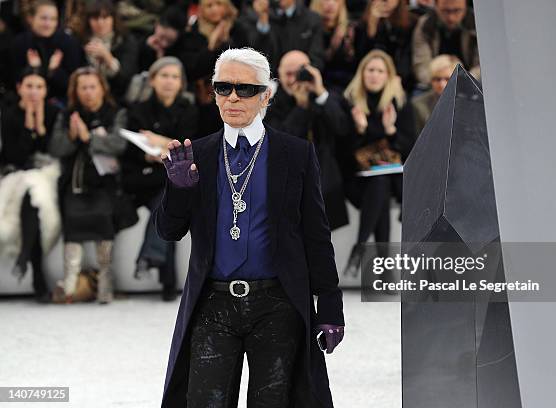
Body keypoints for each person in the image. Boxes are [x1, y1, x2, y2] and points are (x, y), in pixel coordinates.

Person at [155, 47, 344, 407]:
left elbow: (317, 236)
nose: (233, 97)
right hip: (213, 304)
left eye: (245, 89)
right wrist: (178, 191)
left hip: (278, 303)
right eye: (223, 87)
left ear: (266, 96)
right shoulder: (199, 155)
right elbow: (168, 231)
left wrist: (331, 306)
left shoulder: (296, 154)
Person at [48, 67, 128, 304]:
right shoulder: (67, 114)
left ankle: (105, 281)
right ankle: (69, 283)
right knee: (73, 226)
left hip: (106, 184)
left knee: (104, 226)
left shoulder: (116, 112)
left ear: (102, 88)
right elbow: (56, 148)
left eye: (93, 86)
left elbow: (118, 145)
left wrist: (88, 137)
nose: (88, 92)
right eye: (83, 87)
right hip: (76, 183)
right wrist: (73, 136)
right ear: (75, 91)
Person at [122, 57, 198, 301]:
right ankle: (163, 275)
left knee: (166, 205)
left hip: (174, 179)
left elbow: (190, 148)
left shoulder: (189, 111)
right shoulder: (137, 110)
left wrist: (159, 141)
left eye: (175, 77)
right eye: (164, 76)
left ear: (181, 83)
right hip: (146, 179)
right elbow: (129, 151)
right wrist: (150, 154)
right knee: (165, 202)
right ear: (152, 80)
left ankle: (157, 267)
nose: (169, 82)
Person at [341, 49, 416, 275]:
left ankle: (361, 248)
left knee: (380, 181)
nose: (374, 75)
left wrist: (391, 130)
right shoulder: (350, 103)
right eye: (370, 70)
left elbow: (410, 147)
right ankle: (385, 268)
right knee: (378, 185)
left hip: (393, 178)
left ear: (388, 75)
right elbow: (342, 150)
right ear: (362, 74)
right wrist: (360, 129)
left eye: (380, 71)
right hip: (356, 179)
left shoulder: (399, 103)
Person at [266, 50, 349, 230]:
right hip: (286, 186)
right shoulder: (269, 103)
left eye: (300, 73)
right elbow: (280, 141)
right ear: (278, 74)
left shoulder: (322, 96)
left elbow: (342, 128)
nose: (294, 80)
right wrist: (301, 108)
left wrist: (320, 92)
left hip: (323, 183)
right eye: (288, 74)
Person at [0, 67, 61, 303]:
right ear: (19, 88)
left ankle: (28, 258)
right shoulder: (9, 114)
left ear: (45, 90)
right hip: (16, 176)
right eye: (29, 86)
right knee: (31, 194)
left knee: (35, 192)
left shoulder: (55, 113)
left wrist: (41, 129)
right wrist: (28, 125)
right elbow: (16, 157)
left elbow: (54, 152)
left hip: (48, 174)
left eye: (39, 87)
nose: (34, 92)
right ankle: (35, 269)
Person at [10, 0, 84, 103]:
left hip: (61, 100)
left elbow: (73, 84)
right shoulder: (19, 43)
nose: (48, 24)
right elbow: (13, 79)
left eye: (53, 19)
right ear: (31, 18)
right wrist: (33, 69)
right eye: (43, 18)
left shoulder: (69, 43)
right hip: (25, 101)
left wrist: (54, 71)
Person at [74, 0, 138, 103]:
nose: (100, 23)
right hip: (86, 96)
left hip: (117, 96)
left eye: (105, 18)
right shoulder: (79, 41)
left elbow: (125, 78)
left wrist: (107, 57)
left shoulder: (126, 41)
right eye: (95, 18)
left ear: (113, 19)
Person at [177, 0, 249, 85]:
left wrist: (225, 41)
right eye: (209, 6)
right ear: (202, 10)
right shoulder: (194, 31)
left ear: (227, 6)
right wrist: (211, 47)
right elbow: (191, 67)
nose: (214, 9)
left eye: (219, 4)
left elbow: (245, 60)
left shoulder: (238, 28)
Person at [354, 0, 418, 92]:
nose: (385, 1)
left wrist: (398, 77)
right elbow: (361, 56)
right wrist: (372, 26)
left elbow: (407, 55)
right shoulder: (363, 23)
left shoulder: (411, 22)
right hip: (369, 78)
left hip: (400, 78)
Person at [411, 0, 479, 87]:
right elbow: (421, 65)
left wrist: (464, 83)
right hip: (435, 82)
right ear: (435, 6)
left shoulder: (477, 24)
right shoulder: (425, 24)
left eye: (457, 10)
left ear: (466, 6)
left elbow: (481, 66)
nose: (451, 17)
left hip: (470, 82)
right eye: (445, 11)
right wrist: (438, 82)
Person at [243, 0, 326, 71]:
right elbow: (256, 56)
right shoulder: (256, 15)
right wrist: (263, 21)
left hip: (303, 79)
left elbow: (316, 59)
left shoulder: (312, 19)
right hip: (271, 80)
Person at [310, 0, 357, 92]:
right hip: (312, 85)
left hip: (342, 88)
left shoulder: (351, 32)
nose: (330, 4)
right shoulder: (308, 30)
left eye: (336, 0)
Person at [412, 53, 460, 135]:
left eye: (447, 79)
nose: (442, 84)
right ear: (431, 81)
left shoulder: (469, 103)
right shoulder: (419, 105)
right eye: (437, 79)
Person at [137, 6, 187, 73]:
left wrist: (161, 60)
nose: (164, 44)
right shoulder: (140, 37)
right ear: (156, 24)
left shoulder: (182, 50)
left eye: (170, 41)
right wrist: (146, 48)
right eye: (162, 37)